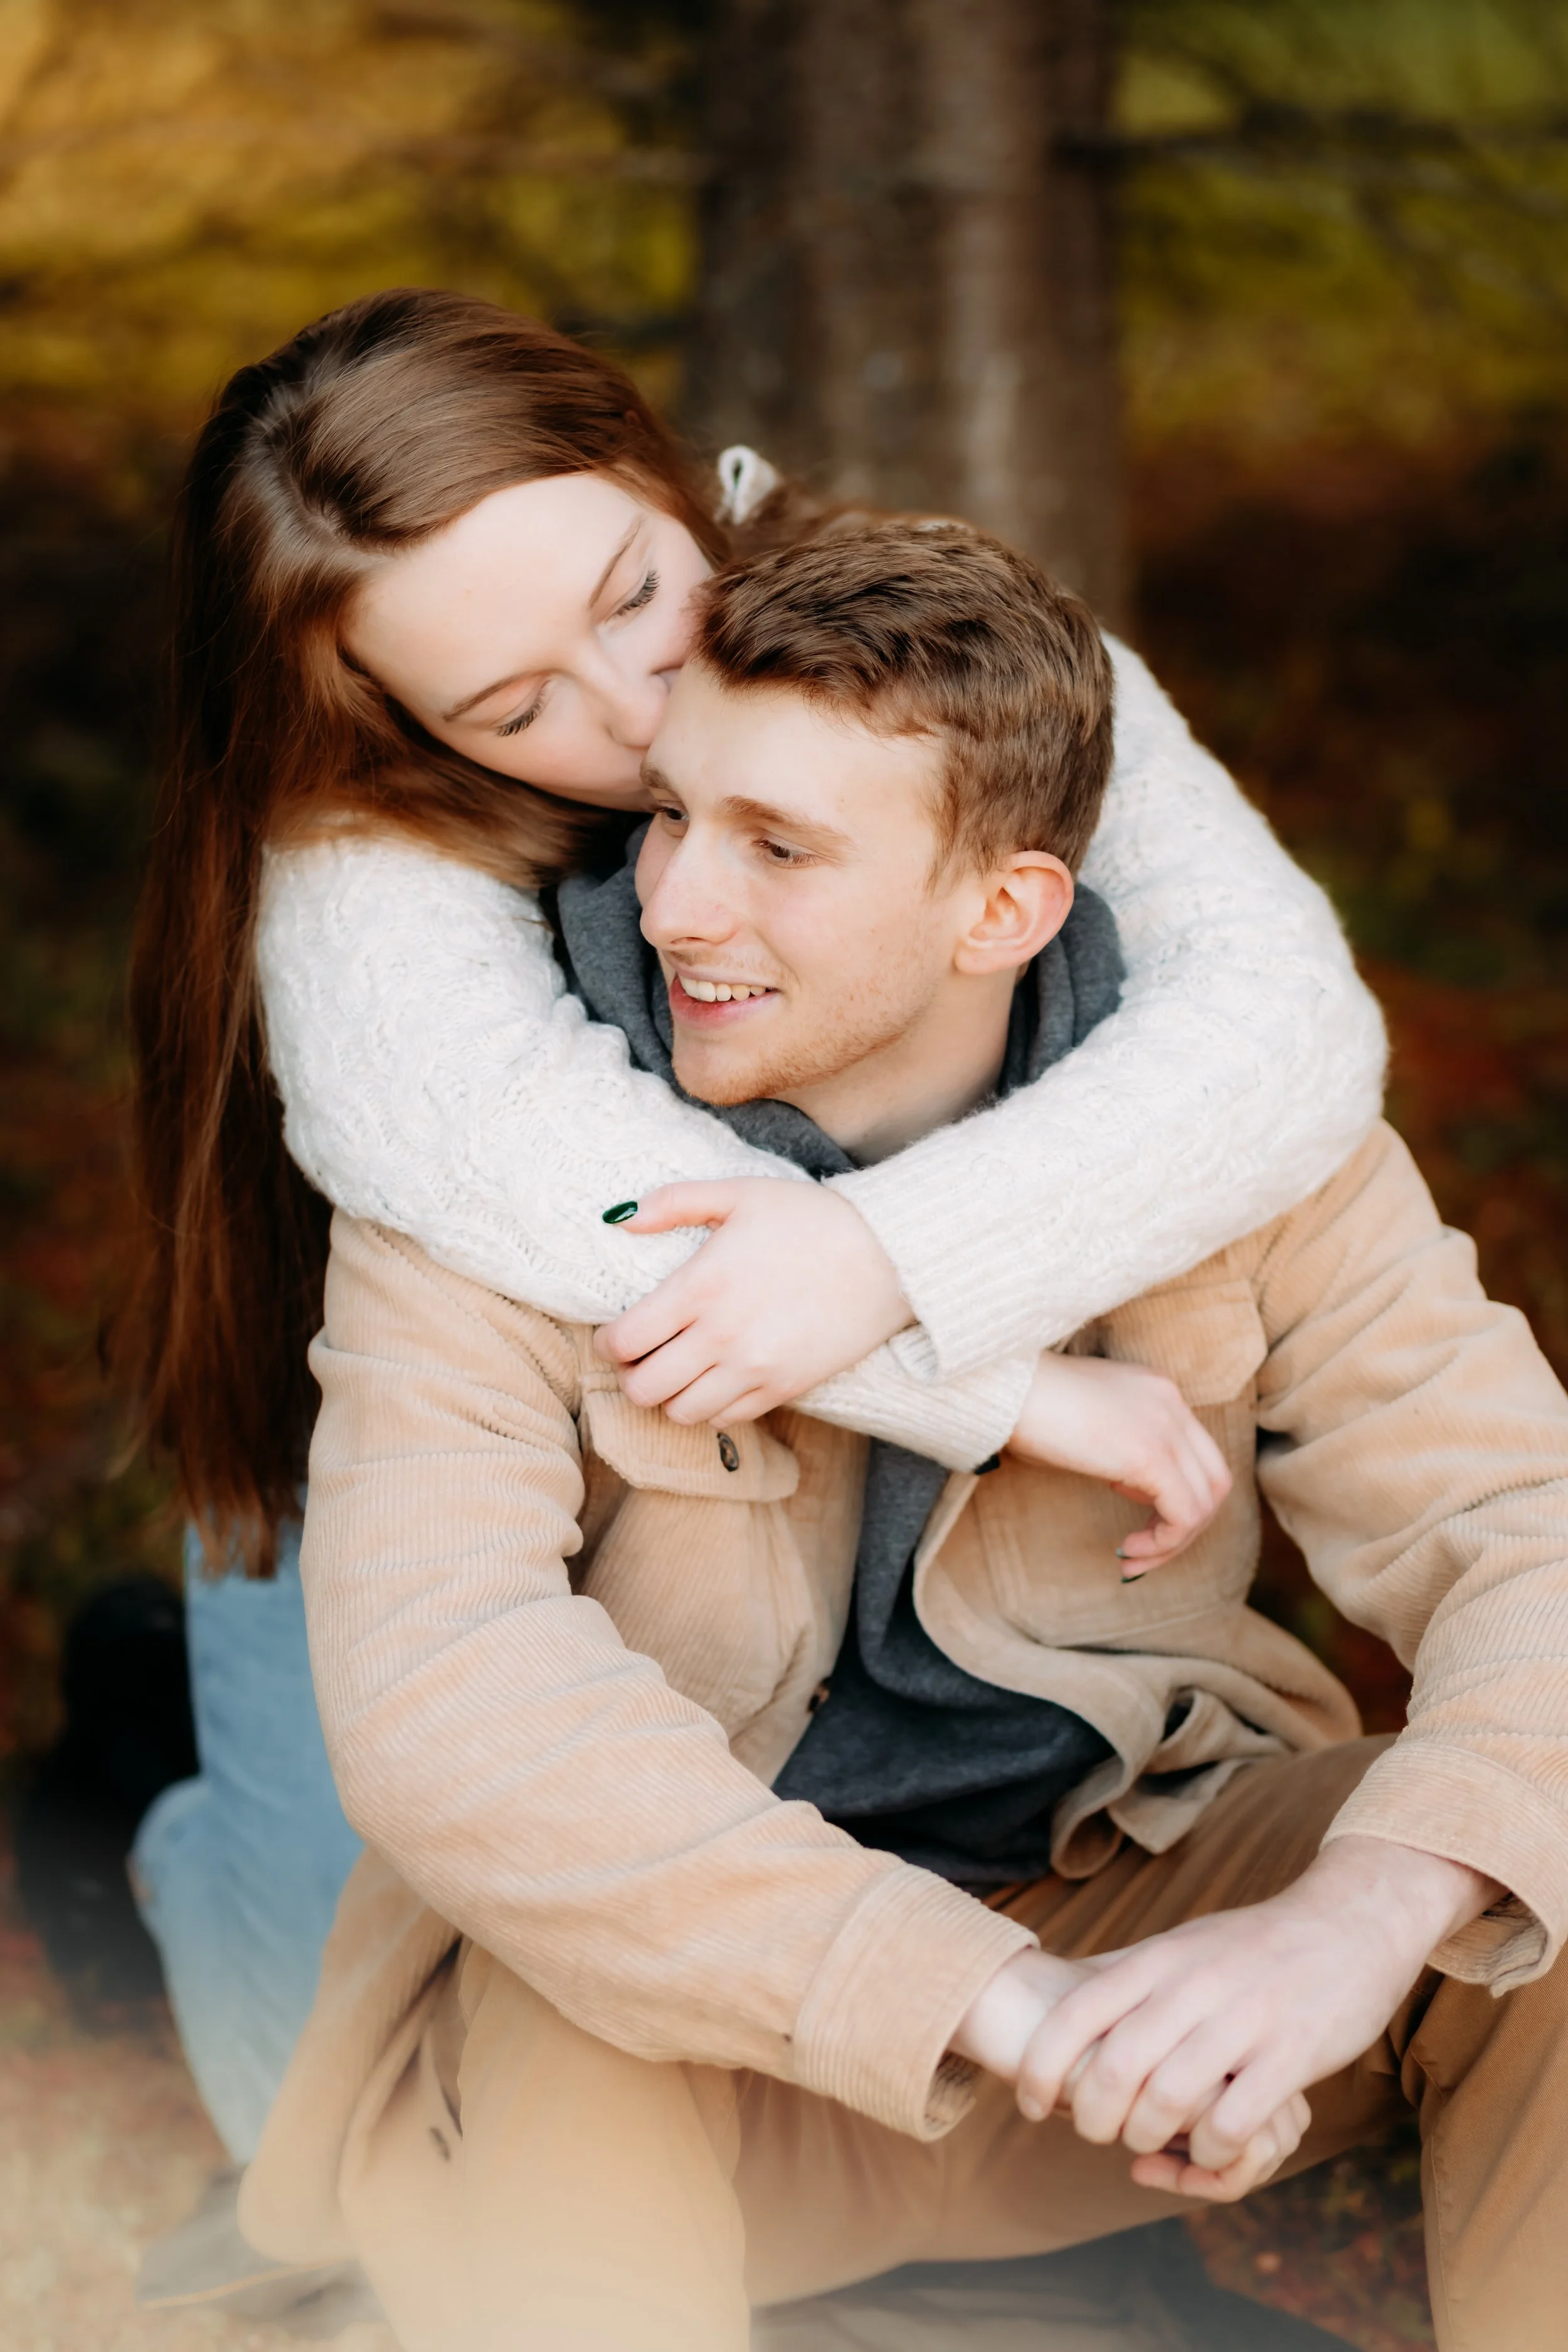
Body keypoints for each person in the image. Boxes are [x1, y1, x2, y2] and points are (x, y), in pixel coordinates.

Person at [236, 523, 1568, 2352]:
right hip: (711, 2030)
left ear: (1002, 910)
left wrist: (1359, 1914)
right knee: (542, 1973)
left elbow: (1522, 1521)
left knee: (1536, 1867)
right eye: (673, 815)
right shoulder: (504, 1177)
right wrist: (982, 1996)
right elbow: (446, 1693)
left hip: (1123, 1913)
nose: (677, 903)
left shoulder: (1232, 1142)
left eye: (779, 848)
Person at [120, 288, 1384, 2159]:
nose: (631, 718)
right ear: (396, 723)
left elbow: (1280, 1019)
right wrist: (992, 1381)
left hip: (710, 1472)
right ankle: (167, 1833)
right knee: (336, 2099)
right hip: (398, 1441)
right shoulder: (358, 849)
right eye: (513, 706)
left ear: (659, 466)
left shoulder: (907, 627)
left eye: (630, 595)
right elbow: (549, 1175)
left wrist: (887, 1256)